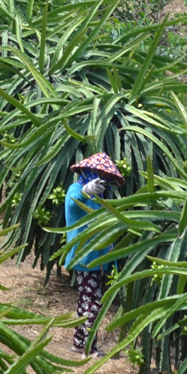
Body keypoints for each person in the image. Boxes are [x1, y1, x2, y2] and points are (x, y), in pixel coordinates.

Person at [63, 152, 126, 356]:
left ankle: (79, 342)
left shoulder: (99, 198)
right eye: (98, 174)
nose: (103, 181)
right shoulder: (75, 190)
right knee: (93, 305)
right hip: (84, 259)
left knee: (85, 302)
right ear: (88, 172)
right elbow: (73, 203)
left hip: (98, 261)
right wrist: (85, 191)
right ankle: (90, 349)